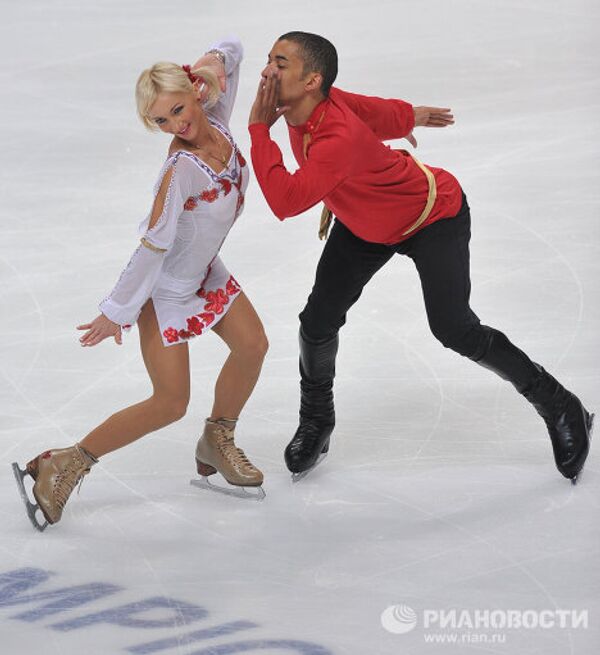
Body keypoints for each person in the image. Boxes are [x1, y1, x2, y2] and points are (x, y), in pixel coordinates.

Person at [248, 31, 593, 482]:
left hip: (433, 215)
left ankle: (560, 405)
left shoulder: (337, 137)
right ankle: (317, 420)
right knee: (316, 322)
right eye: (269, 59)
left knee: (454, 328)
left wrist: (258, 129)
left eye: (280, 62)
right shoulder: (319, 101)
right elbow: (369, 108)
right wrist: (409, 115)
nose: (268, 70)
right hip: (365, 224)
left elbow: (286, 200)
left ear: (312, 80)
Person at [13, 37, 268, 531]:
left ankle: (217, 439)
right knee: (170, 402)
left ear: (195, 93)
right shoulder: (181, 170)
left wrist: (211, 64)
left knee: (253, 345)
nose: (176, 125)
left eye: (177, 109)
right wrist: (118, 309)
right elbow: (154, 242)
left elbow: (232, 51)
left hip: (206, 273)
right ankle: (61, 464)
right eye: (162, 121)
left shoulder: (215, 117)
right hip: (166, 288)